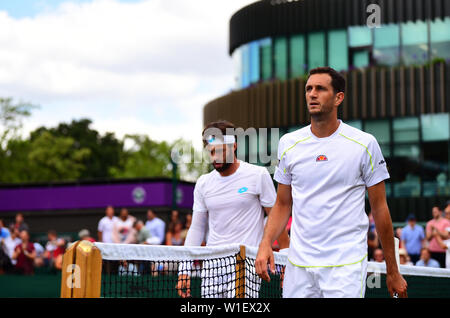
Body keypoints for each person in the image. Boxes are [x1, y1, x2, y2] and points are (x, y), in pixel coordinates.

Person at [255, 66, 407, 298]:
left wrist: (392, 270)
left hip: (346, 265)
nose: (312, 94)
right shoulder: (289, 143)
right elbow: (282, 204)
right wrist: (266, 242)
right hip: (300, 265)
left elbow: (379, 208)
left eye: (320, 89)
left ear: (339, 97)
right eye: (308, 89)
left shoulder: (364, 144)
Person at [177, 120, 290, 298]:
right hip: (212, 269)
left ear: (234, 146)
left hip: (245, 266)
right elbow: (197, 228)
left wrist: (285, 262)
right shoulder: (203, 183)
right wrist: (184, 271)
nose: (215, 157)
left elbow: (277, 220)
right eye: (211, 152)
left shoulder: (257, 175)